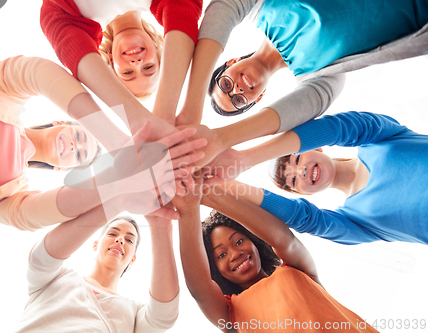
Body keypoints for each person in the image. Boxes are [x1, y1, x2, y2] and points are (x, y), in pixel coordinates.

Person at [0, 55, 206, 231]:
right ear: (62, 123)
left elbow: (37, 215)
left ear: (63, 170)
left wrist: (120, 181)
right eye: (81, 137)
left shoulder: (7, 197)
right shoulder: (1, 97)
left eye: (80, 155)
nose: (75, 146)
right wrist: (118, 143)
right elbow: (35, 71)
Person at [176, 0, 428, 168]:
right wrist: (221, 139)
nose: (238, 90)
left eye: (226, 85)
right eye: (239, 100)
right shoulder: (322, 78)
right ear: (259, 98)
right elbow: (302, 109)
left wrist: (192, 106)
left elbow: (224, 7)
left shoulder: (258, 8)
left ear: (230, 61)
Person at [172, 173, 378, 332]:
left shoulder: (297, 269)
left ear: (255, 243)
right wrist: (188, 210)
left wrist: (208, 195)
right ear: (214, 269)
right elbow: (199, 287)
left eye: (239, 241)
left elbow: (283, 239)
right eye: (221, 255)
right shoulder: (229, 315)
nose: (234, 254)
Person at [219, 111, 428, 245]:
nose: (300, 171)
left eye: (298, 159)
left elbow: (337, 128)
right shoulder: (354, 220)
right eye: (293, 181)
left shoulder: (376, 138)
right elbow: (304, 219)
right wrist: (223, 182)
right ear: (301, 193)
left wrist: (244, 159)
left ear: (315, 146)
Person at [14, 207, 180, 332]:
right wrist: (115, 202)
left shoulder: (134, 311)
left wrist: (161, 225)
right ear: (96, 244)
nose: (120, 239)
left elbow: (164, 315)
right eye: (112, 234)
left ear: (133, 258)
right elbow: (41, 259)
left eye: (129, 240)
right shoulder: (56, 278)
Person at [41, 0, 202, 125]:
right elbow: (184, 7)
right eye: (148, 67)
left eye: (128, 73)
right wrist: (165, 112)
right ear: (159, 49)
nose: (137, 63)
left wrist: (135, 119)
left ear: (111, 65)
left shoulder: (73, 19)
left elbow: (61, 34)